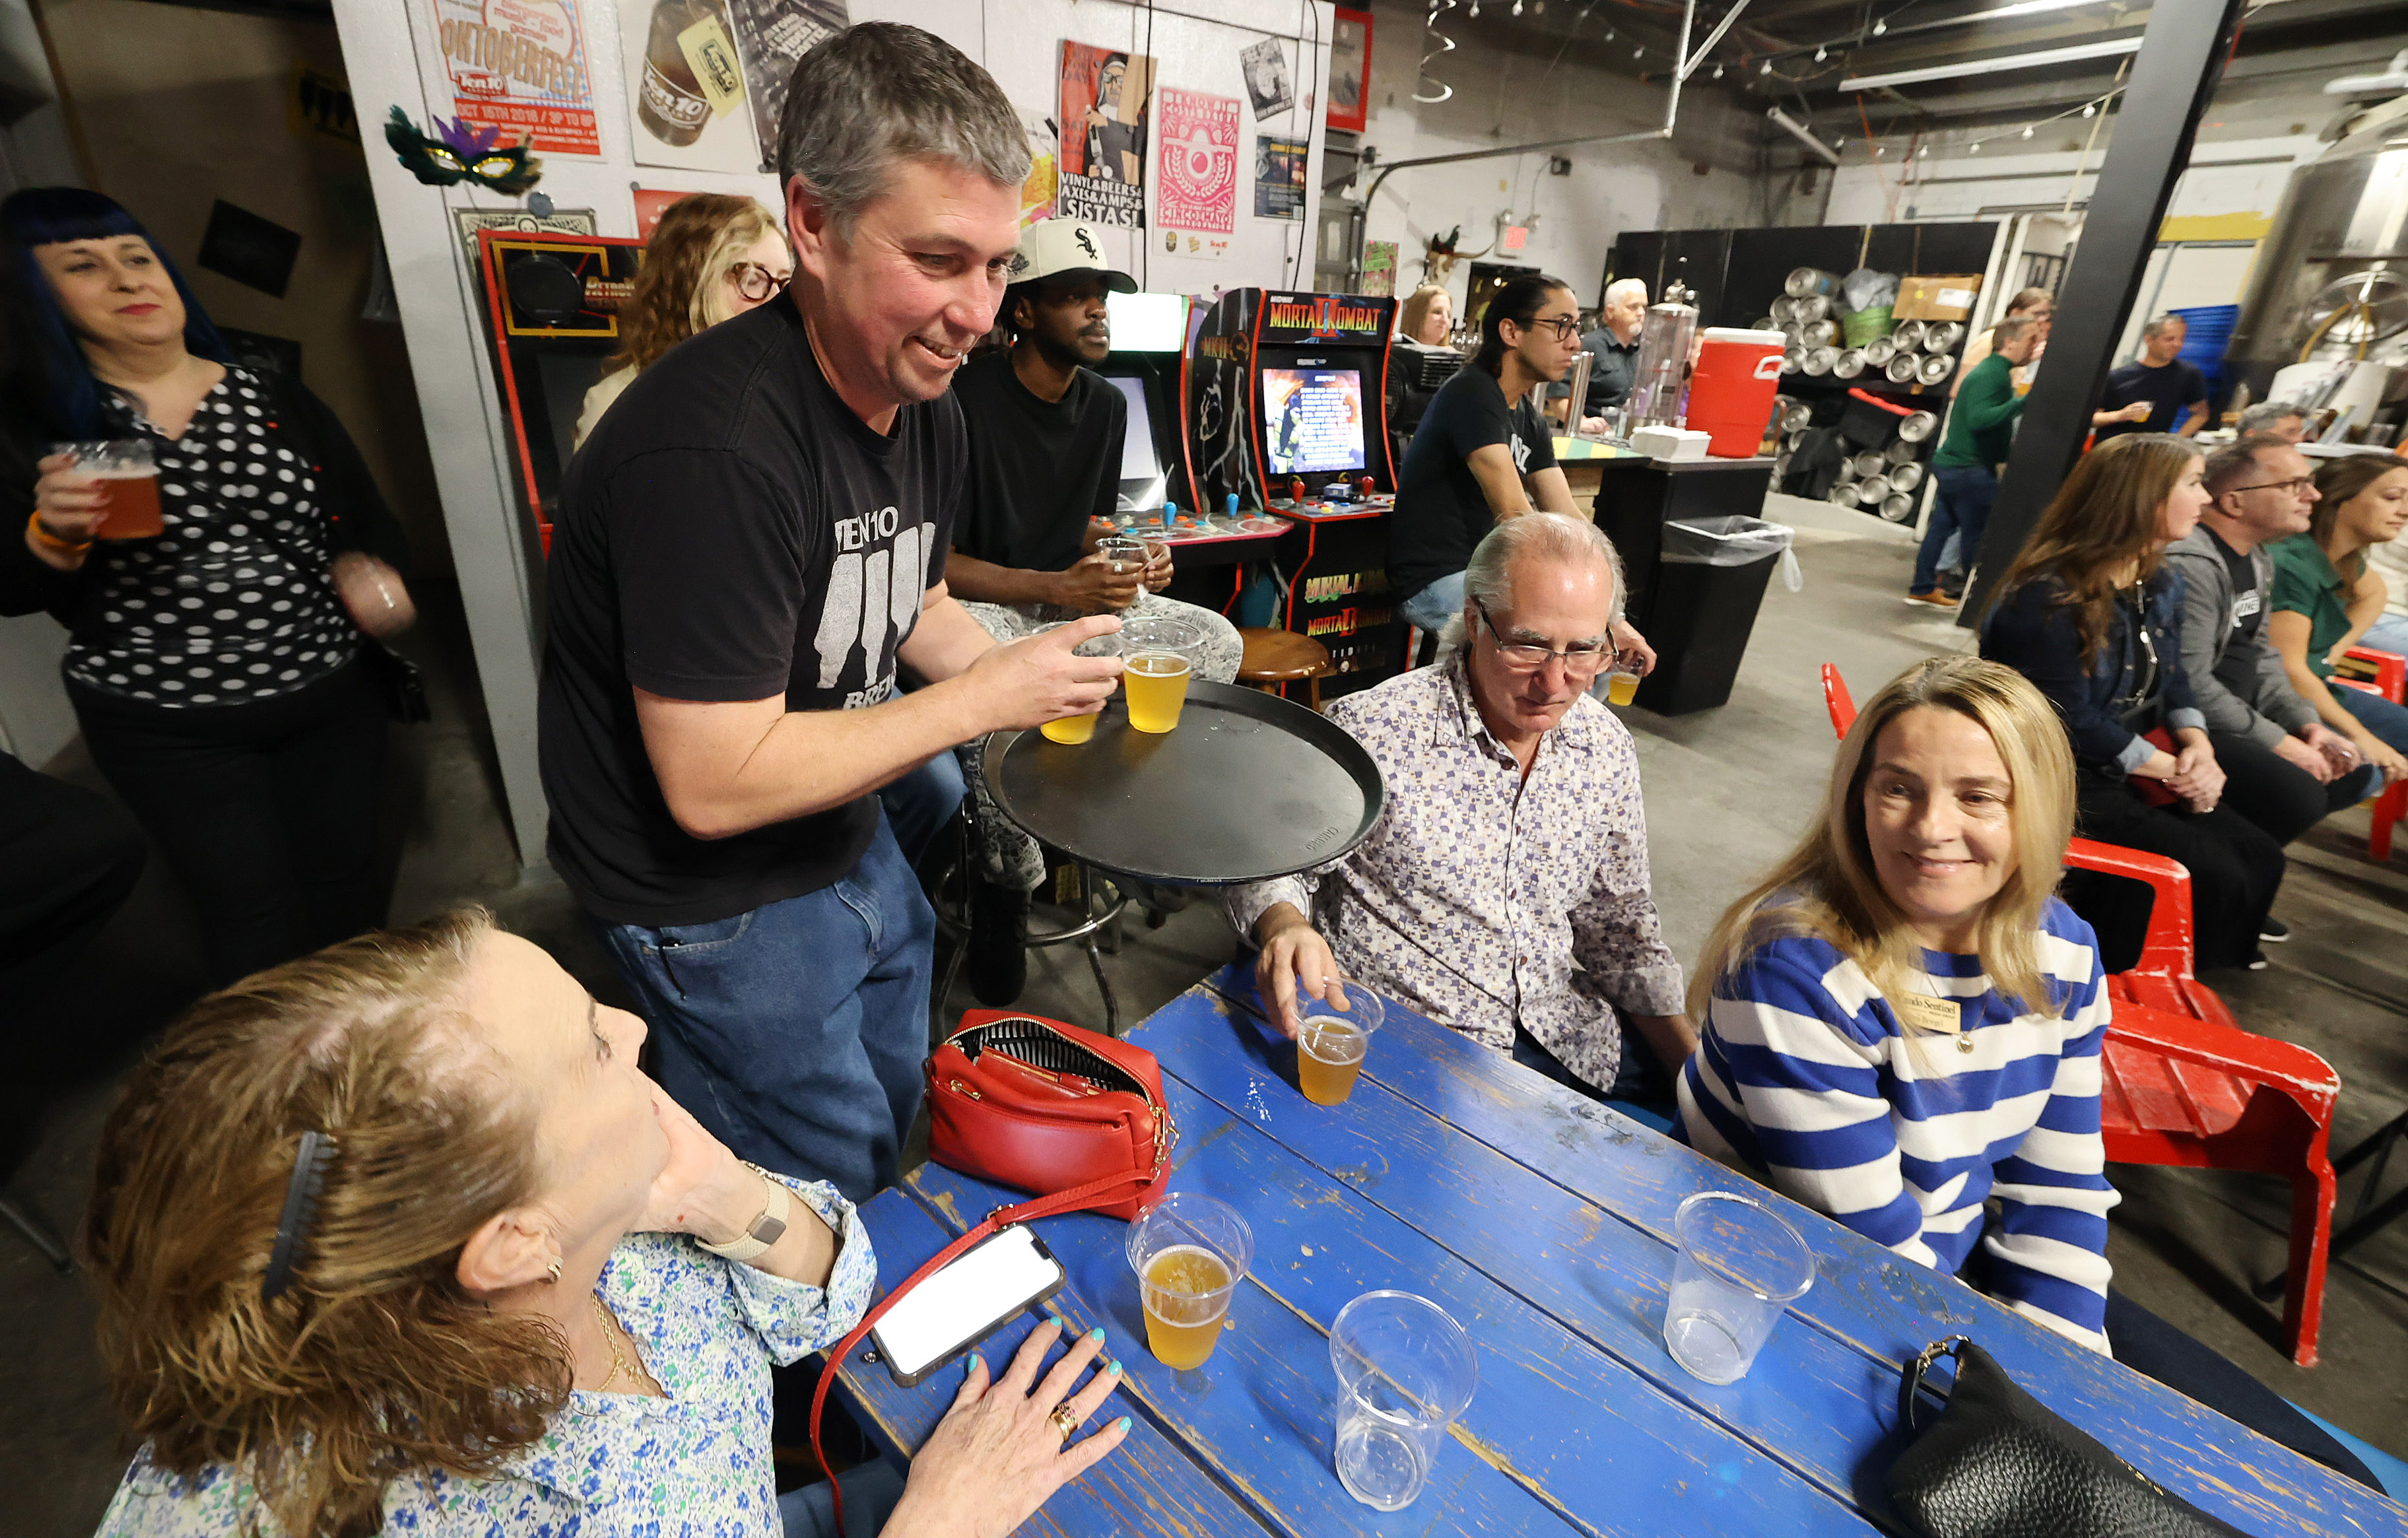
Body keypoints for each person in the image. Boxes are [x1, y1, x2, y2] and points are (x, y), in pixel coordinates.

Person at [538, 24, 1121, 1201]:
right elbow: (713, 783)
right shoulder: (713, 447)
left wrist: (1043, 686)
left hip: (841, 831)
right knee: (817, 1172)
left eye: (999, 266)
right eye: (939, 259)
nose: (976, 311)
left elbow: (906, 599)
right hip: (707, 900)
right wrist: (979, 700)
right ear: (811, 224)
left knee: (898, 1088)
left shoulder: (927, 401)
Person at [83, 909, 1130, 1538]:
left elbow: (836, 1285)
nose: (634, 1025)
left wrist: (729, 1196)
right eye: (593, 1046)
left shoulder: (609, 1218)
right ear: (513, 1242)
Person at [1676, 655, 2380, 1490]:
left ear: (2035, 808)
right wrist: (2049, 1416)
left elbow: (2061, 1181)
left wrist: (2076, 1362)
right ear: (1855, 796)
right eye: (1897, 787)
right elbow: (1880, 1258)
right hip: (1826, 1292)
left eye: (1979, 796)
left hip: (1956, 1263)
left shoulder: (2063, 948)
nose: (1931, 827)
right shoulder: (1796, 970)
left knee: (2330, 1480)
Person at [0, 187, 415, 989]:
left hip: (328, 695)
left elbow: (366, 518)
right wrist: (51, 531)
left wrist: (373, 569)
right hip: (168, 728)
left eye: (136, 255)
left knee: (349, 888)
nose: (126, 279)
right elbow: (14, 590)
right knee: (247, 915)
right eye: (84, 265)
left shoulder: (268, 392)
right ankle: (275, 1089)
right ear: (34, 295)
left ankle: (369, 1057)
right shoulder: (46, 427)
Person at [1226, 514, 1695, 1123]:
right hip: (1421, 1054)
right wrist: (1285, 924)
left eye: (1582, 649)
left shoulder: (1604, 747)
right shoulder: (1376, 732)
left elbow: (1621, 931)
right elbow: (1266, 862)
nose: (1554, 683)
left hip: (1566, 1034)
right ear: (1475, 621)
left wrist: (1697, 1084)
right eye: (1527, 644)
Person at [945, 217, 1240, 1003]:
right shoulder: (960, 400)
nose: (1096, 311)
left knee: (1211, 640)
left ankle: (1116, 827)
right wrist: (1057, 585)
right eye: (1074, 297)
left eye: (1102, 296)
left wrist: (1130, 557)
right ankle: (1007, 880)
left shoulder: (1107, 407)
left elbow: (1084, 522)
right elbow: (934, 563)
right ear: (1023, 312)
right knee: (997, 691)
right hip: (979, 605)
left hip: (1060, 598)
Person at [1977, 433, 2284, 974]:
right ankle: (2141, 979)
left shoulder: (2159, 581)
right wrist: (2172, 770)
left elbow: (2177, 680)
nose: (2208, 498)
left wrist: (2199, 747)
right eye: (2192, 483)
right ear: (2140, 498)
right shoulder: (2047, 598)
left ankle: (2195, 971)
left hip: (2127, 760)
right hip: (2060, 773)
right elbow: (2064, 722)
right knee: (2213, 869)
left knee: (2260, 855)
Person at [1387, 273, 1653, 671]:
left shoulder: (1527, 416)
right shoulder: (1472, 395)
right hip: (1435, 578)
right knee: (1560, 655)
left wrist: (1613, 614)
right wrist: (1596, 615)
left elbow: (1571, 517)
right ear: (1511, 332)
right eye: (1560, 325)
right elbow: (1513, 516)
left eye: (1576, 327)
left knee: (1590, 653)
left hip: (1486, 575)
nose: (1575, 342)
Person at [2162, 434, 2376, 887]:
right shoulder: (2192, 563)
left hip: (2238, 711)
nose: (2313, 496)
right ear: (2235, 502)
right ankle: (2219, 879)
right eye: (2294, 485)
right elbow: (2190, 683)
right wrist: (2282, 742)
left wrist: (2306, 724)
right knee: (2296, 793)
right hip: (2190, 721)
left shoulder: (2257, 558)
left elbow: (2262, 657)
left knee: (2348, 771)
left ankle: (2238, 876)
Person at [572, 194, 790, 450]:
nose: (776, 303)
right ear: (692, 285)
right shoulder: (622, 403)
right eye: (753, 281)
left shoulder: (786, 398)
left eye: (785, 284)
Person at [2266, 452, 2408, 784]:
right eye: (2391, 498)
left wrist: (2335, 651)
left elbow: (2375, 594)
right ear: (2339, 500)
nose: (2404, 510)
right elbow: (2289, 671)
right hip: (2279, 697)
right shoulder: (2292, 561)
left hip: (2317, 686)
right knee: (2363, 773)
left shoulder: (2343, 558)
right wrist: (2362, 737)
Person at [1909, 315, 2038, 607]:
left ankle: (1922, 587)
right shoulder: (1993, 374)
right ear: (2010, 342)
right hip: (1969, 468)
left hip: (1956, 465)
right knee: (1977, 535)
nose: (2036, 345)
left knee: (1942, 527)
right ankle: (1978, 601)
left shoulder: (1993, 371)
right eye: (2031, 338)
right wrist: (2023, 402)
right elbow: (1980, 419)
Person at [2092, 314, 2207, 442]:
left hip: (2151, 452)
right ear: (2149, 340)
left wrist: (2174, 443)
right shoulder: (2117, 376)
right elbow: (2091, 419)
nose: (2177, 344)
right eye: (2170, 339)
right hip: (2112, 449)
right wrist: (2121, 415)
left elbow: (2201, 414)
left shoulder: (2188, 374)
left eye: (2181, 339)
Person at [1559, 277, 1646, 428]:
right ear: (1610, 311)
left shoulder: (1638, 351)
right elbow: (1559, 390)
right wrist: (1581, 422)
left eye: (1644, 307)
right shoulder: (1590, 345)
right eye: (1633, 307)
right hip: (1588, 437)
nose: (1640, 313)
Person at [1950, 285, 2051, 396]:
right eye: (2036, 314)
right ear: (2016, 313)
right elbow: (1959, 390)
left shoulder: (2029, 347)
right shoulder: (1989, 340)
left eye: (2046, 315)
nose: (2042, 320)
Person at [1397, 282, 1452, 347]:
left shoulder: (1453, 356)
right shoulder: (1392, 353)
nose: (1445, 320)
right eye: (1437, 312)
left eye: (1448, 315)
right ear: (1417, 316)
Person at [2236, 399, 2308, 444]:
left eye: (2300, 433)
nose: (2299, 440)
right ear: (2252, 436)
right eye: (2290, 432)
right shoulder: (2232, 468)